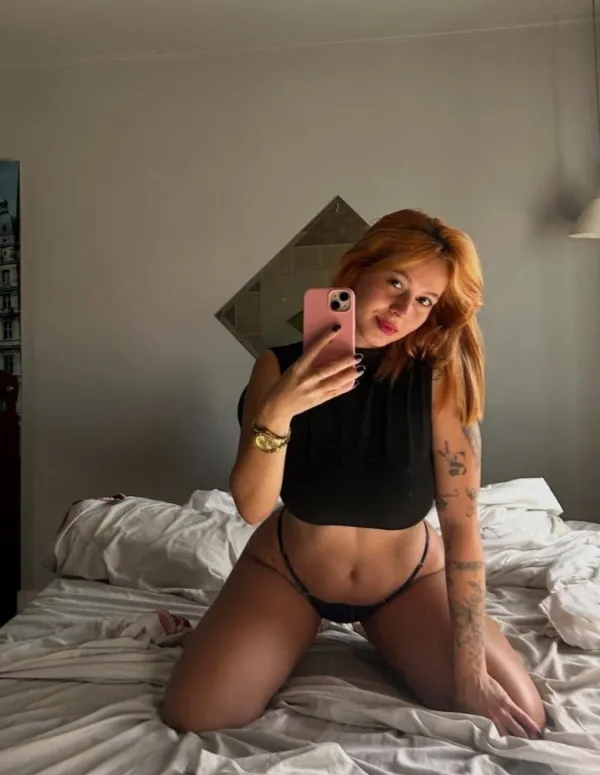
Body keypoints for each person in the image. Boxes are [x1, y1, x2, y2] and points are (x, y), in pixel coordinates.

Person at [162, 209, 546, 739]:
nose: (403, 311)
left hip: (408, 582)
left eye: (425, 300)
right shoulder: (277, 368)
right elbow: (252, 506)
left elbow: (462, 528)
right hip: (289, 573)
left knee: (518, 715)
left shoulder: (437, 380)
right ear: (358, 270)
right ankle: (242, 631)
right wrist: (278, 412)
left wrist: (472, 669)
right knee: (196, 714)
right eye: (396, 283)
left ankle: (393, 637)